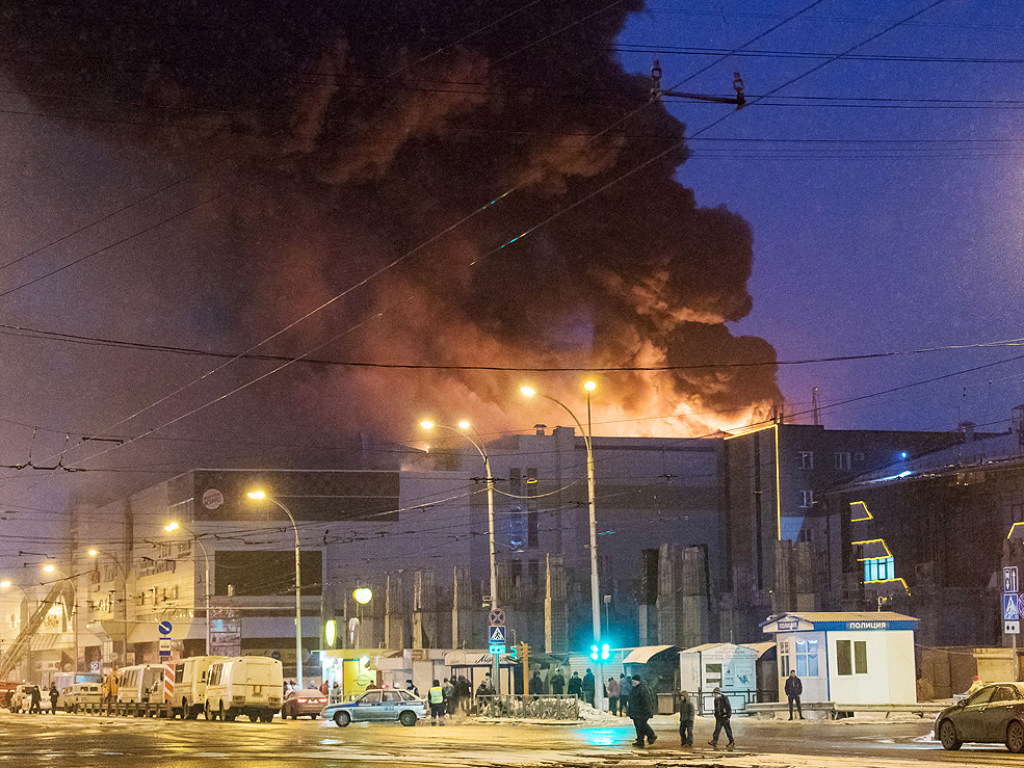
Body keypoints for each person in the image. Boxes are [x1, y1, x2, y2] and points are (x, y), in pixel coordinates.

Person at [626, 674, 656, 747]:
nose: (634, 682)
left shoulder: (643, 689)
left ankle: (651, 735)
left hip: (642, 711)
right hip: (635, 711)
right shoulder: (634, 689)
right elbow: (631, 701)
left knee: (642, 726)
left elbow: (647, 701)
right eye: (633, 681)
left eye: (635, 681)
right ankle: (640, 741)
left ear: (639, 681)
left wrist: (648, 711)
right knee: (638, 726)